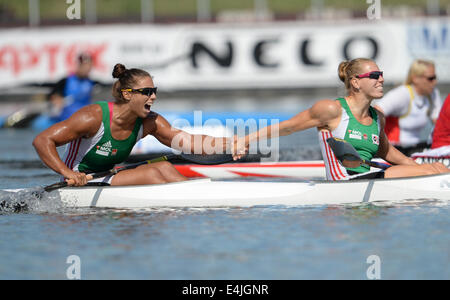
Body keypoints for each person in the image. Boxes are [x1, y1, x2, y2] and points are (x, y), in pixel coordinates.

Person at [233, 58, 448, 181]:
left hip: (373, 174)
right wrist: (246, 140)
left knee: (438, 168)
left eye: (381, 74)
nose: (381, 79)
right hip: (345, 181)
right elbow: (288, 127)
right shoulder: (331, 109)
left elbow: (385, 151)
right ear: (355, 82)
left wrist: (412, 163)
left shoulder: (377, 116)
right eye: (374, 76)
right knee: (430, 173)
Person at [32, 63, 230, 187]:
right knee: (154, 172)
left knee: (164, 167)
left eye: (154, 90)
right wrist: (68, 173)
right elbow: (42, 140)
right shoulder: (93, 116)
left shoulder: (150, 121)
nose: (153, 96)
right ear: (127, 94)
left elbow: (187, 141)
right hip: (78, 183)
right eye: (147, 91)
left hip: (105, 177)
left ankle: (199, 196)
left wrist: (229, 145)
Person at [373, 59, 443, 156]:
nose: (434, 82)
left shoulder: (433, 94)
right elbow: (375, 112)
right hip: (394, 149)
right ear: (415, 78)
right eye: (430, 78)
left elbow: (441, 125)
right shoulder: (402, 94)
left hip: (416, 147)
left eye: (435, 77)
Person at [32, 53, 97, 131]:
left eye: (89, 66)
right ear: (79, 65)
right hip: (65, 122)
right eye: (85, 65)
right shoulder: (65, 81)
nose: (87, 68)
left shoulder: (92, 83)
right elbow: (53, 96)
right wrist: (56, 100)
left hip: (83, 120)